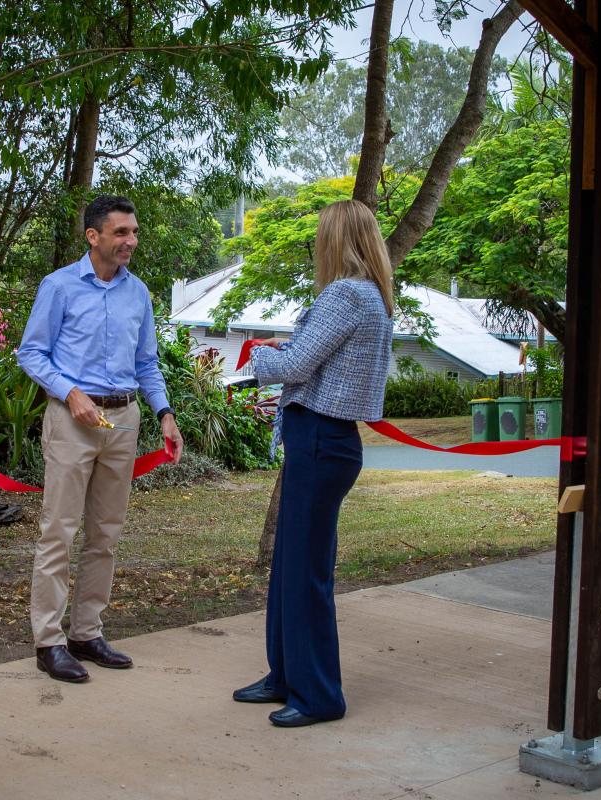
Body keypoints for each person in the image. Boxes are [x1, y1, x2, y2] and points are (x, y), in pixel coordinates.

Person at [232, 199, 394, 727]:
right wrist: (291, 348)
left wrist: (260, 354)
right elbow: (315, 357)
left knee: (305, 572)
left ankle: (320, 694)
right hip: (326, 439)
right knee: (292, 565)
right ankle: (286, 675)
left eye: (323, 234)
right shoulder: (370, 296)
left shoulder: (345, 294)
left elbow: (297, 365)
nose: (318, 244)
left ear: (338, 240)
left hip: (322, 438)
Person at [17, 195, 183, 683]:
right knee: (59, 533)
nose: (131, 241)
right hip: (72, 421)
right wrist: (70, 394)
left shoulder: (139, 294)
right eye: (121, 233)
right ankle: (48, 642)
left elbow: (147, 364)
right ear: (94, 237)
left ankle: (86, 633)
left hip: (124, 420)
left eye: (133, 232)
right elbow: (31, 353)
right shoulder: (60, 286)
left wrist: (165, 415)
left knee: (105, 535)